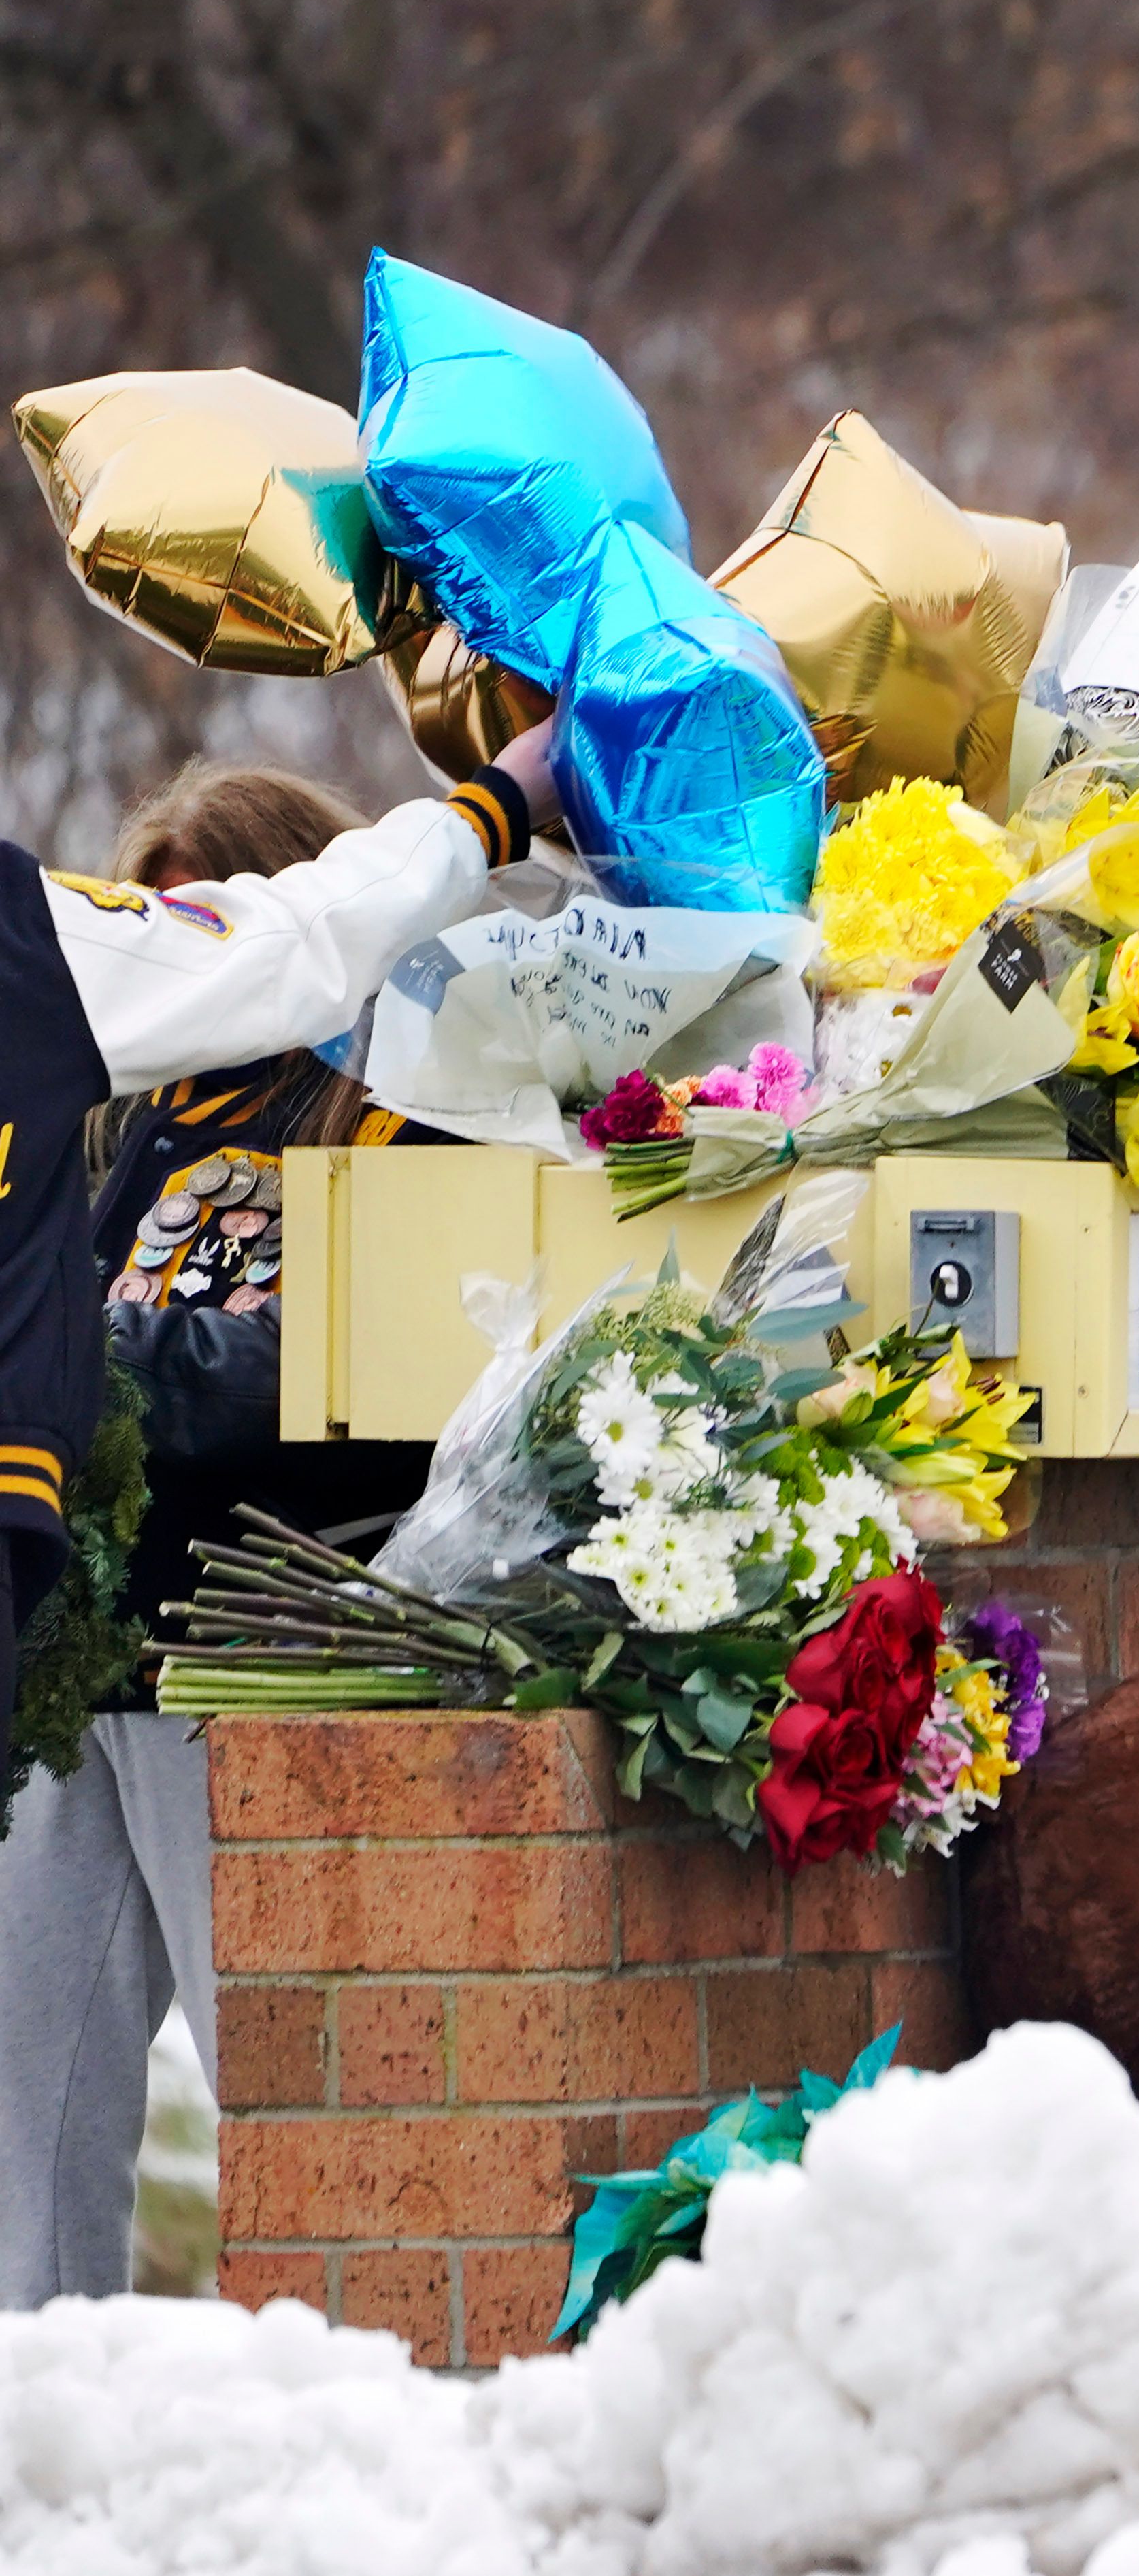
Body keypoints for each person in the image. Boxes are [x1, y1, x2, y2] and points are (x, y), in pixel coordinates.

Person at [0, 728, 556, 2310]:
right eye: (155, 914)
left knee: (288, 2100)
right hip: (76, 1666)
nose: (194, 969)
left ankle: (319, 2427)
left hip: (248, 1661)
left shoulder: (403, 1106)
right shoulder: (114, 1123)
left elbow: (391, 1368)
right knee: (28, 2120)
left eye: (217, 915)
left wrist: (107, 1372)